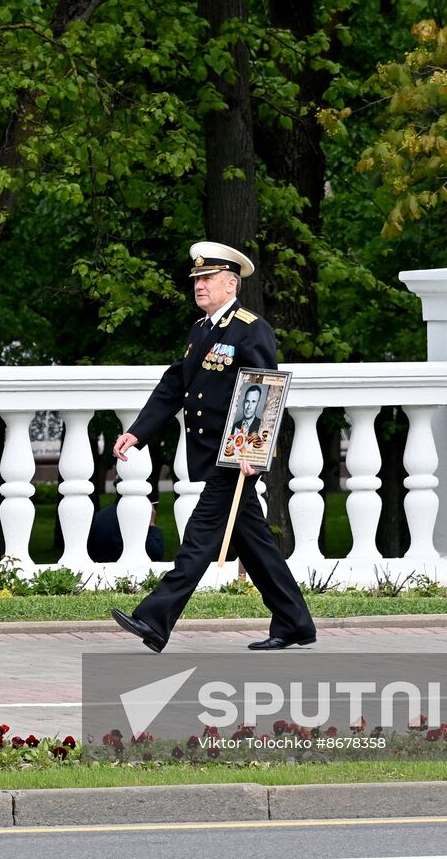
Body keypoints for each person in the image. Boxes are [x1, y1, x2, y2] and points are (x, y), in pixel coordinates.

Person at [108, 241, 316, 653]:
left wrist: (250, 451)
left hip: (233, 455)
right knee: (255, 545)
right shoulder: (202, 330)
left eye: (207, 279)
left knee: (200, 538)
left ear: (231, 283)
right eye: (197, 280)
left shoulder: (250, 328)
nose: (199, 286)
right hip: (214, 453)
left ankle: (154, 619)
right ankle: (295, 622)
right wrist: (138, 431)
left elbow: (263, 389)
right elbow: (175, 384)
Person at [86, 497, 166, 563]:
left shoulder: (99, 517)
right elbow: (155, 553)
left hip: (100, 574)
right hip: (129, 576)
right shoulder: (135, 519)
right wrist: (151, 524)